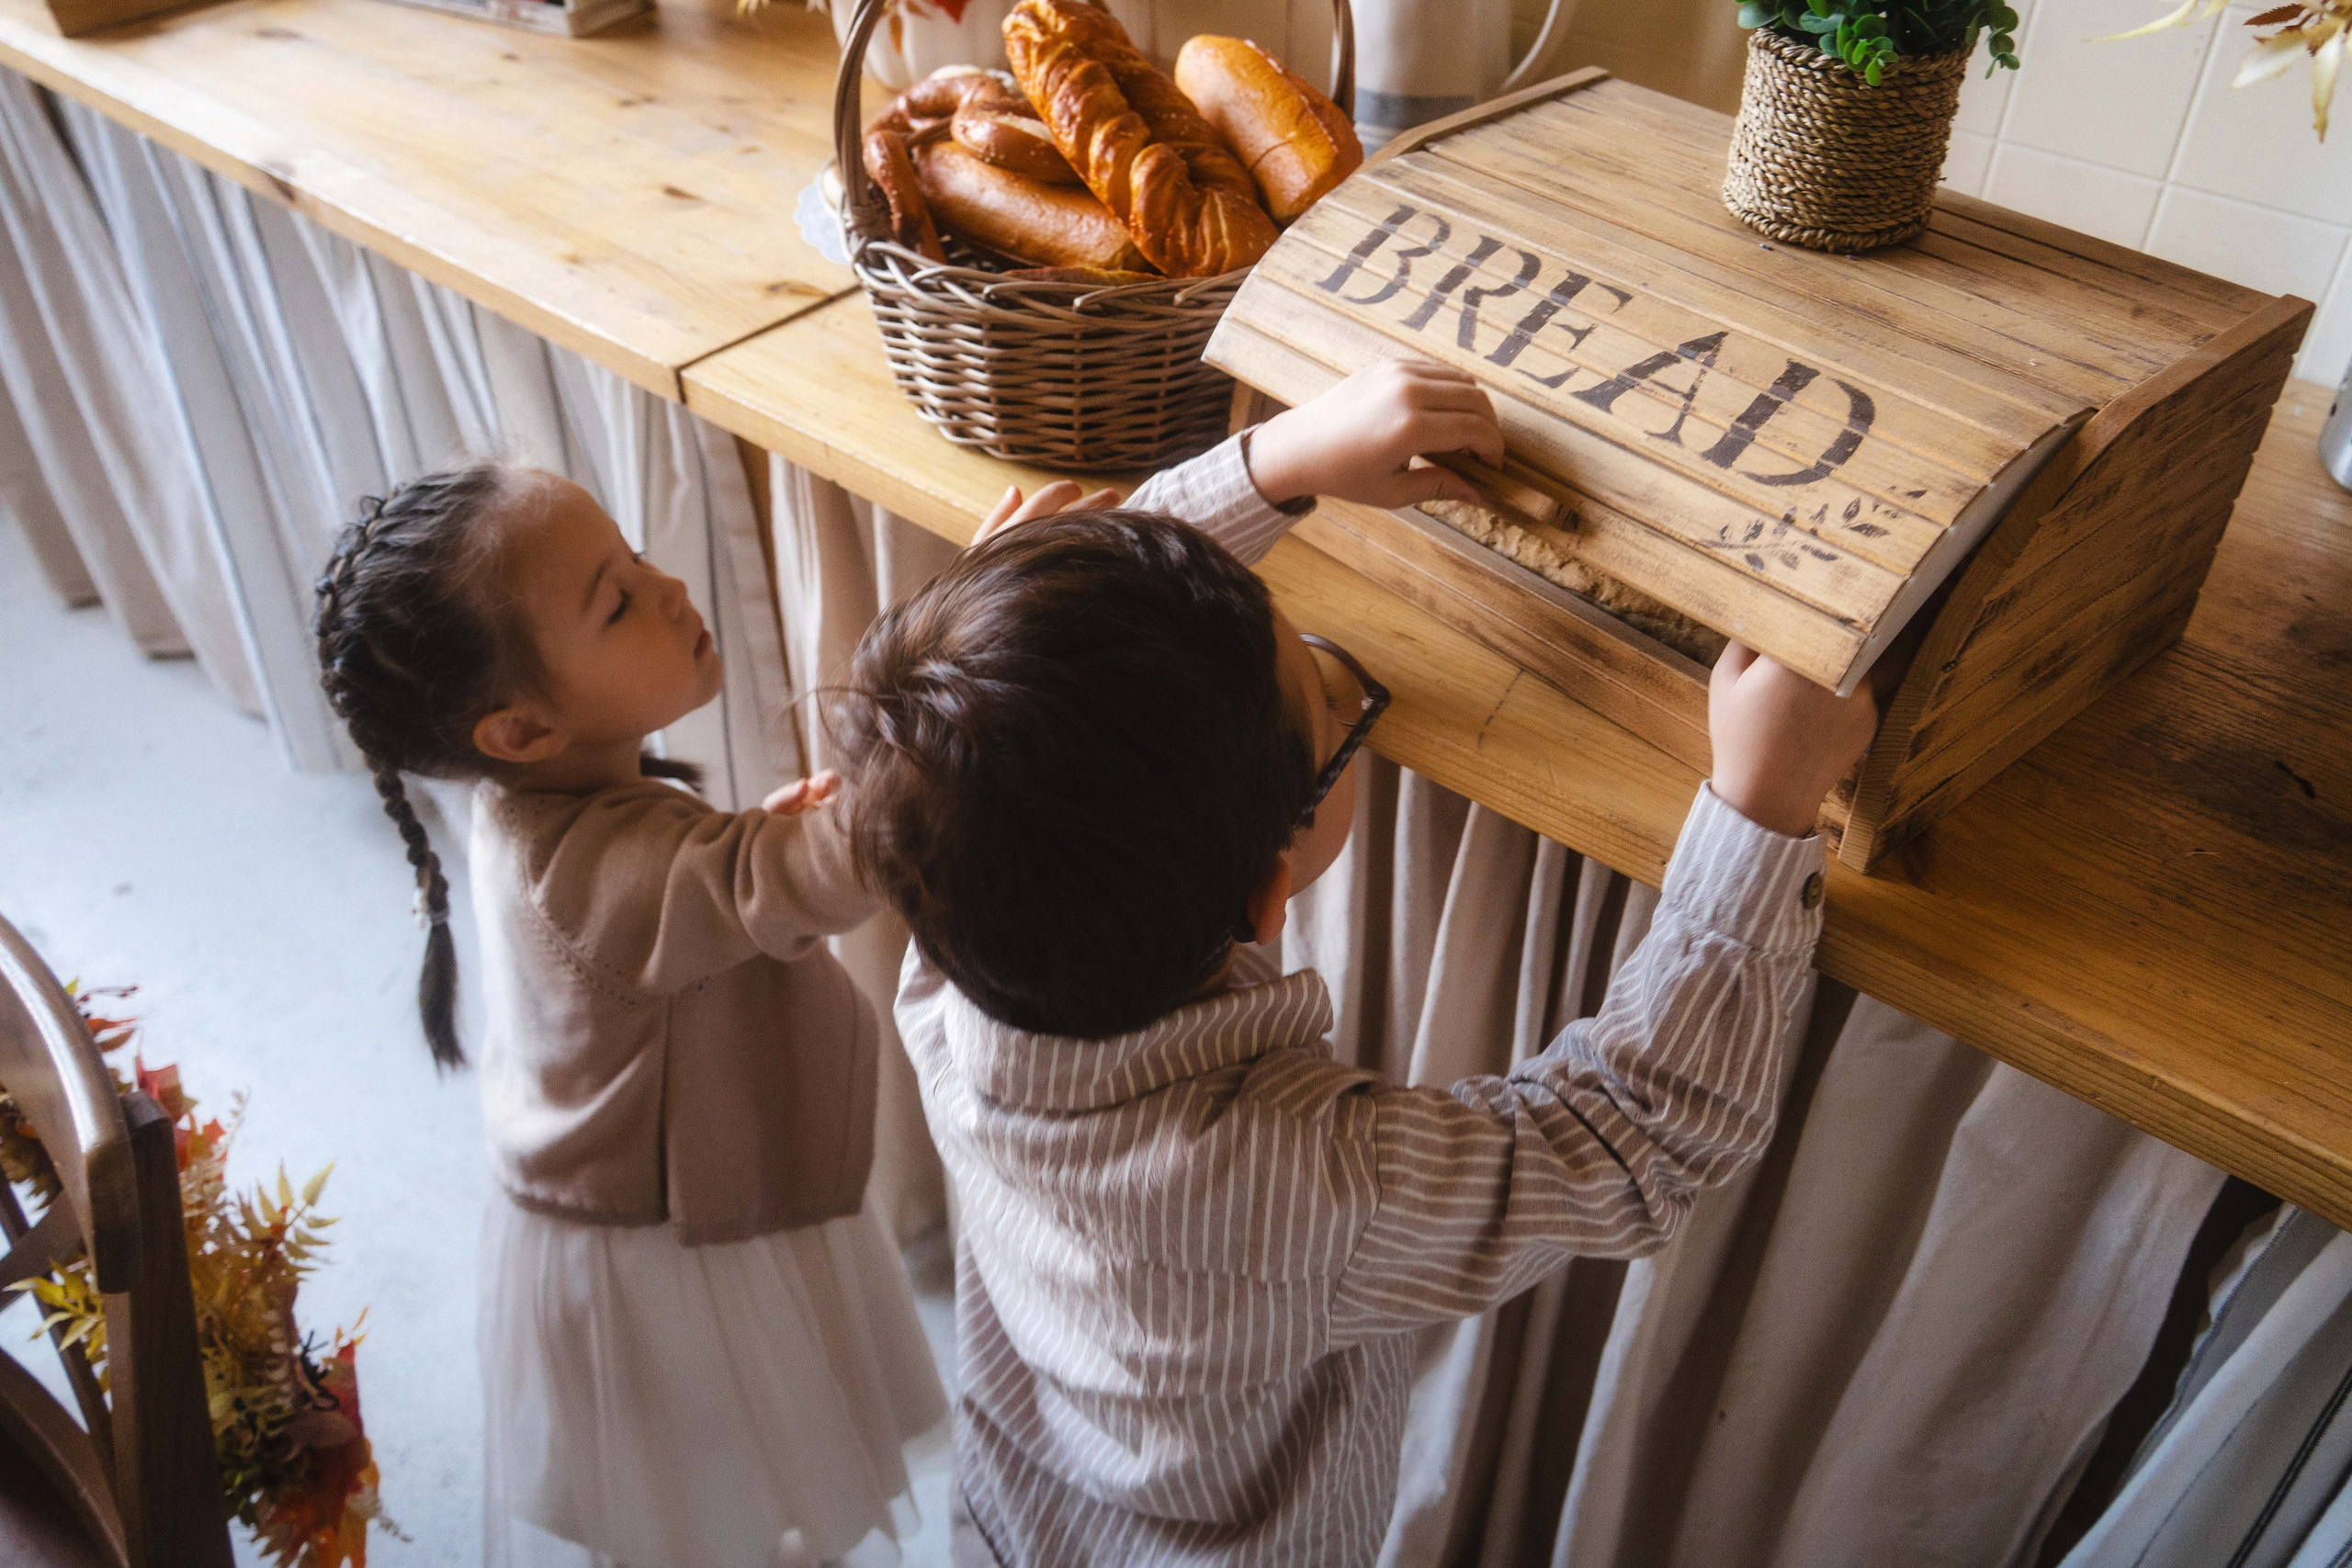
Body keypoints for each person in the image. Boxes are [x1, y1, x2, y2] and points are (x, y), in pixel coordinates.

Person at [828, 359, 1883, 1566]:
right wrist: (1758, 805)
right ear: (1272, 890)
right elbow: (1633, 1131)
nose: (1341, 676)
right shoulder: (1306, 1181)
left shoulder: (951, 926)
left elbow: (1049, 689)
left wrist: (1278, 464)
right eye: (1338, 712)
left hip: (1024, 1520)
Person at [311, 466, 944, 1568]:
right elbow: (830, 864)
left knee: (717, 1504)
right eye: (614, 600)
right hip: (668, 1254)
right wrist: (960, 629)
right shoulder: (598, 870)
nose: (667, 589)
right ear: (517, 727)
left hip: (622, 1203)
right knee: (715, 1506)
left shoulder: (528, 803)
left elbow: (708, 880)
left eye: (634, 555)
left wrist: (751, 843)